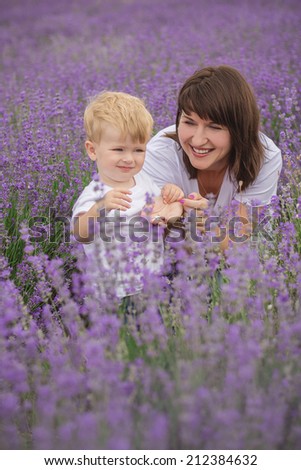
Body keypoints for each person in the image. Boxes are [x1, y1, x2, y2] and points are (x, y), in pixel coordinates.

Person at [143, 65, 282, 248]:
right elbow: (154, 240)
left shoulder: (264, 157)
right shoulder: (161, 152)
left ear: (239, 129)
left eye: (215, 127)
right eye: (189, 122)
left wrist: (204, 227)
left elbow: (243, 243)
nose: (198, 140)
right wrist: (173, 219)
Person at [71, 91, 184, 299]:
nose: (129, 159)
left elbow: (159, 207)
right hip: (116, 293)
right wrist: (99, 208)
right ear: (92, 150)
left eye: (138, 150)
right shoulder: (95, 193)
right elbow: (80, 233)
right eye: (119, 149)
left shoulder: (144, 180)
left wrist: (170, 195)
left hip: (153, 283)